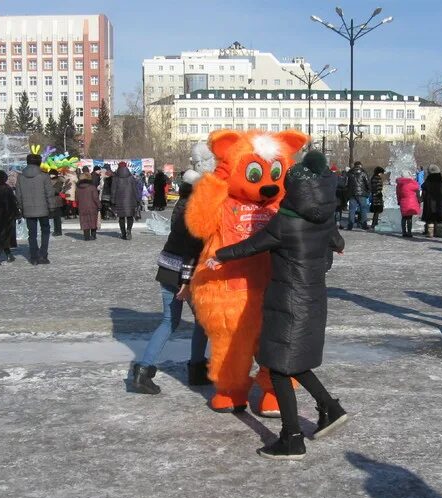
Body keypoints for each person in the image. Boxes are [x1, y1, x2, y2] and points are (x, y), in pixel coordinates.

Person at [207, 150, 347, 460]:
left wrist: (220, 256)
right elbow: (338, 243)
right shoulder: (323, 218)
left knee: (280, 366)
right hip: (313, 299)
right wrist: (332, 247)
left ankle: (292, 437)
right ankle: (331, 408)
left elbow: (252, 245)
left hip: (287, 302)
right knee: (294, 360)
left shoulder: (285, 223)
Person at [130, 169, 210, 394]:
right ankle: (197, 368)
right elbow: (192, 250)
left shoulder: (181, 204)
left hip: (167, 266)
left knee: (168, 321)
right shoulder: (196, 211)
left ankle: (143, 371)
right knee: (202, 322)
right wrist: (185, 283)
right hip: (185, 272)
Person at [16, 153, 56, 265]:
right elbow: (49, 193)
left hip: (28, 210)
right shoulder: (44, 176)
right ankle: (43, 255)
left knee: (32, 234)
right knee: (45, 231)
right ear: (39, 162)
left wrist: (21, 208)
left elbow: (18, 195)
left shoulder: (21, 177)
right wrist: (52, 208)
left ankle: (33, 257)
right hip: (43, 209)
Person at [111, 161, 141, 240]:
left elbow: (113, 190)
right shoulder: (131, 177)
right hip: (131, 200)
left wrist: (112, 201)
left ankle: (123, 233)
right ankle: (129, 231)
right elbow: (135, 189)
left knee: (121, 218)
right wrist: (137, 199)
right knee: (130, 216)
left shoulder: (116, 178)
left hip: (119, 200)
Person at [421, 164, 442, 238]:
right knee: (438, 218)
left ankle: (430, 233)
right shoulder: (441, 180)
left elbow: (424, 190)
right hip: (439, 202)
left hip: (429, 202)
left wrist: (422, 198)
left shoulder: (428, 180)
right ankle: (439, 232)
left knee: (430, 218)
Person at [75, 168, 101, 240]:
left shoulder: (78, 187)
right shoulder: (92, 187)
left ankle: (86, 236)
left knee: (84, 221)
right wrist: (99, 205)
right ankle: (93, 235)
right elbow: (95, 198)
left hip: (82, 207)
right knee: (93, 220)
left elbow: (76, 198)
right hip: (92, 206)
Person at [346, 161, 370, 230]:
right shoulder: (363, 173)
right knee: (363, 208)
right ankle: (363, 224)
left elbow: (346, 183)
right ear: (360, 165)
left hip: (352, 193)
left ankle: (350, 224)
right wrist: (368, 191)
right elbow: (367, 183)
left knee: (352, 209)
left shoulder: (349, 173)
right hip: (361, 193)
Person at [396, 173, 421, 237]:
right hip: (411, 202)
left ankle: (404, 232)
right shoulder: (411, 183)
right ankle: (409, 232)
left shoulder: (399, 185)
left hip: (403, 201)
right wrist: (413, 180)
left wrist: (399, 201)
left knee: (404, 217)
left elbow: (398, 194)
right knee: (409, 218)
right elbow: (417, 187)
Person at [49, 171, 64, 236]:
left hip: (57, 201)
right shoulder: (48, 181)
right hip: (51, 200)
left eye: (52, 174)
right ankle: (55, 230)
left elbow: (58, 190)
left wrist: (50, 189)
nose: (51, 175)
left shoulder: (59, 181)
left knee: (57, 217)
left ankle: (58, 231)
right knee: (54, 217)